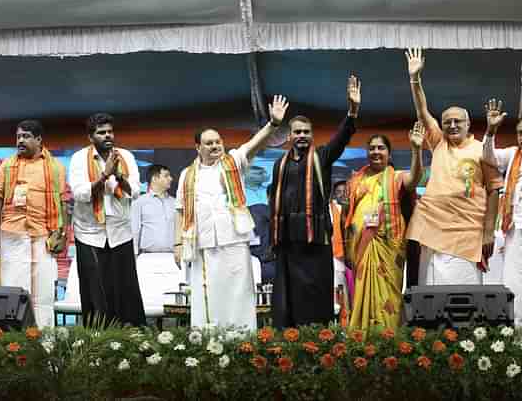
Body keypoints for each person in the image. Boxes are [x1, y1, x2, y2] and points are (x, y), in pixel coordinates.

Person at [174, 95, 289, 330]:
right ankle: (208, 341)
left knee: (239, 293)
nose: (215, 146)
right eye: (209, 143)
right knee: (207, 294)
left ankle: (241, 340)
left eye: (218, 141)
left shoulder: (233, 161)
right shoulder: (187, 175)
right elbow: (181, 210)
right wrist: (177, 244)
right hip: (203, 243)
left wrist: (273, 124)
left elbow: (254, 143)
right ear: (198, 147)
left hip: (234, 239)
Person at [404, 48, 502, 285]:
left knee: (464, 296)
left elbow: (494, 190)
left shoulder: (482, 148)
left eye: (458, 121)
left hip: (467, 233)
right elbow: (422, 111)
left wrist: (488, 232)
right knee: (431, 294)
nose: (452, 125)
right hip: (433, 227)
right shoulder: (438, 142)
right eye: (447, 122)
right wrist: (415, 80)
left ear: (469, 125)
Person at [270, 76, 360, 328]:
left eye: (306, 132)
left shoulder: (322, 156)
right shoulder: (280, 164)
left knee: (315, 295)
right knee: (288, 299)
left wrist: (352, 112)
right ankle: (289, 342)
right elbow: (272, 200)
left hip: (315, 239)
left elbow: (341, 138)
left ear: (312, 136)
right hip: (288, 241)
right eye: (297, 132)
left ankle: (317, 341)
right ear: (289, 135)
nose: (302, 136)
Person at [0, 120, 68, 327]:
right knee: (13, 293)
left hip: (43, 235)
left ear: (39, 139)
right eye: (18, 137)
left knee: (43, 296)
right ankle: (15, 345)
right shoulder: (7, 165)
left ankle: (45, 346)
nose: (20, 140)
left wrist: (62, 234)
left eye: (26, 136)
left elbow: (63, 202)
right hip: (12, 233)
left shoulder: (55, 167)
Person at [344, 126, 424, 334]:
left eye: (381, 148)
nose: (376, 152)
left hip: (389, 247)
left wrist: (416, 149)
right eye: (372, 148)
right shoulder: (356, 182)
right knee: (362, 295)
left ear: (389, 153)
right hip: (361, 248)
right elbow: (348, 216)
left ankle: (389, 341)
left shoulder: (397, 177)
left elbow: (415, 178)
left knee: (389, 297)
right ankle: (362, 342)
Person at [68, 113, 144, 327]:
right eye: (101, 133)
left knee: (125, 290)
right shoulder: (78, 158)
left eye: (110, 131)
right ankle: (97, 340)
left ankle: (128, 338)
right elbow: (80, 194)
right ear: (91, 137)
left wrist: (119, 176)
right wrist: (104, 175)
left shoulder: (126, 157)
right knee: (95, 292)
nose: (108, 136)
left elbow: (135, 191)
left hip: (120, 233)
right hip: (90, 234)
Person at [482, 96, 522, 324]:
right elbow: (488, 157)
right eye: (520, 133)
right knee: (513, 286)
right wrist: (490, 132)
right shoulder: (513, 154)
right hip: (514, 231)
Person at [131, 164, 181, 313]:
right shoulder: (139, 202)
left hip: (174, 259)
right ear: (154, 178)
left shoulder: (176, 203)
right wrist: (132, 260)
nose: (171, 179)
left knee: (172, 303)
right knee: (147, 300)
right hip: (147, 259)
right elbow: (134, 232)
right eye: (166, 175)